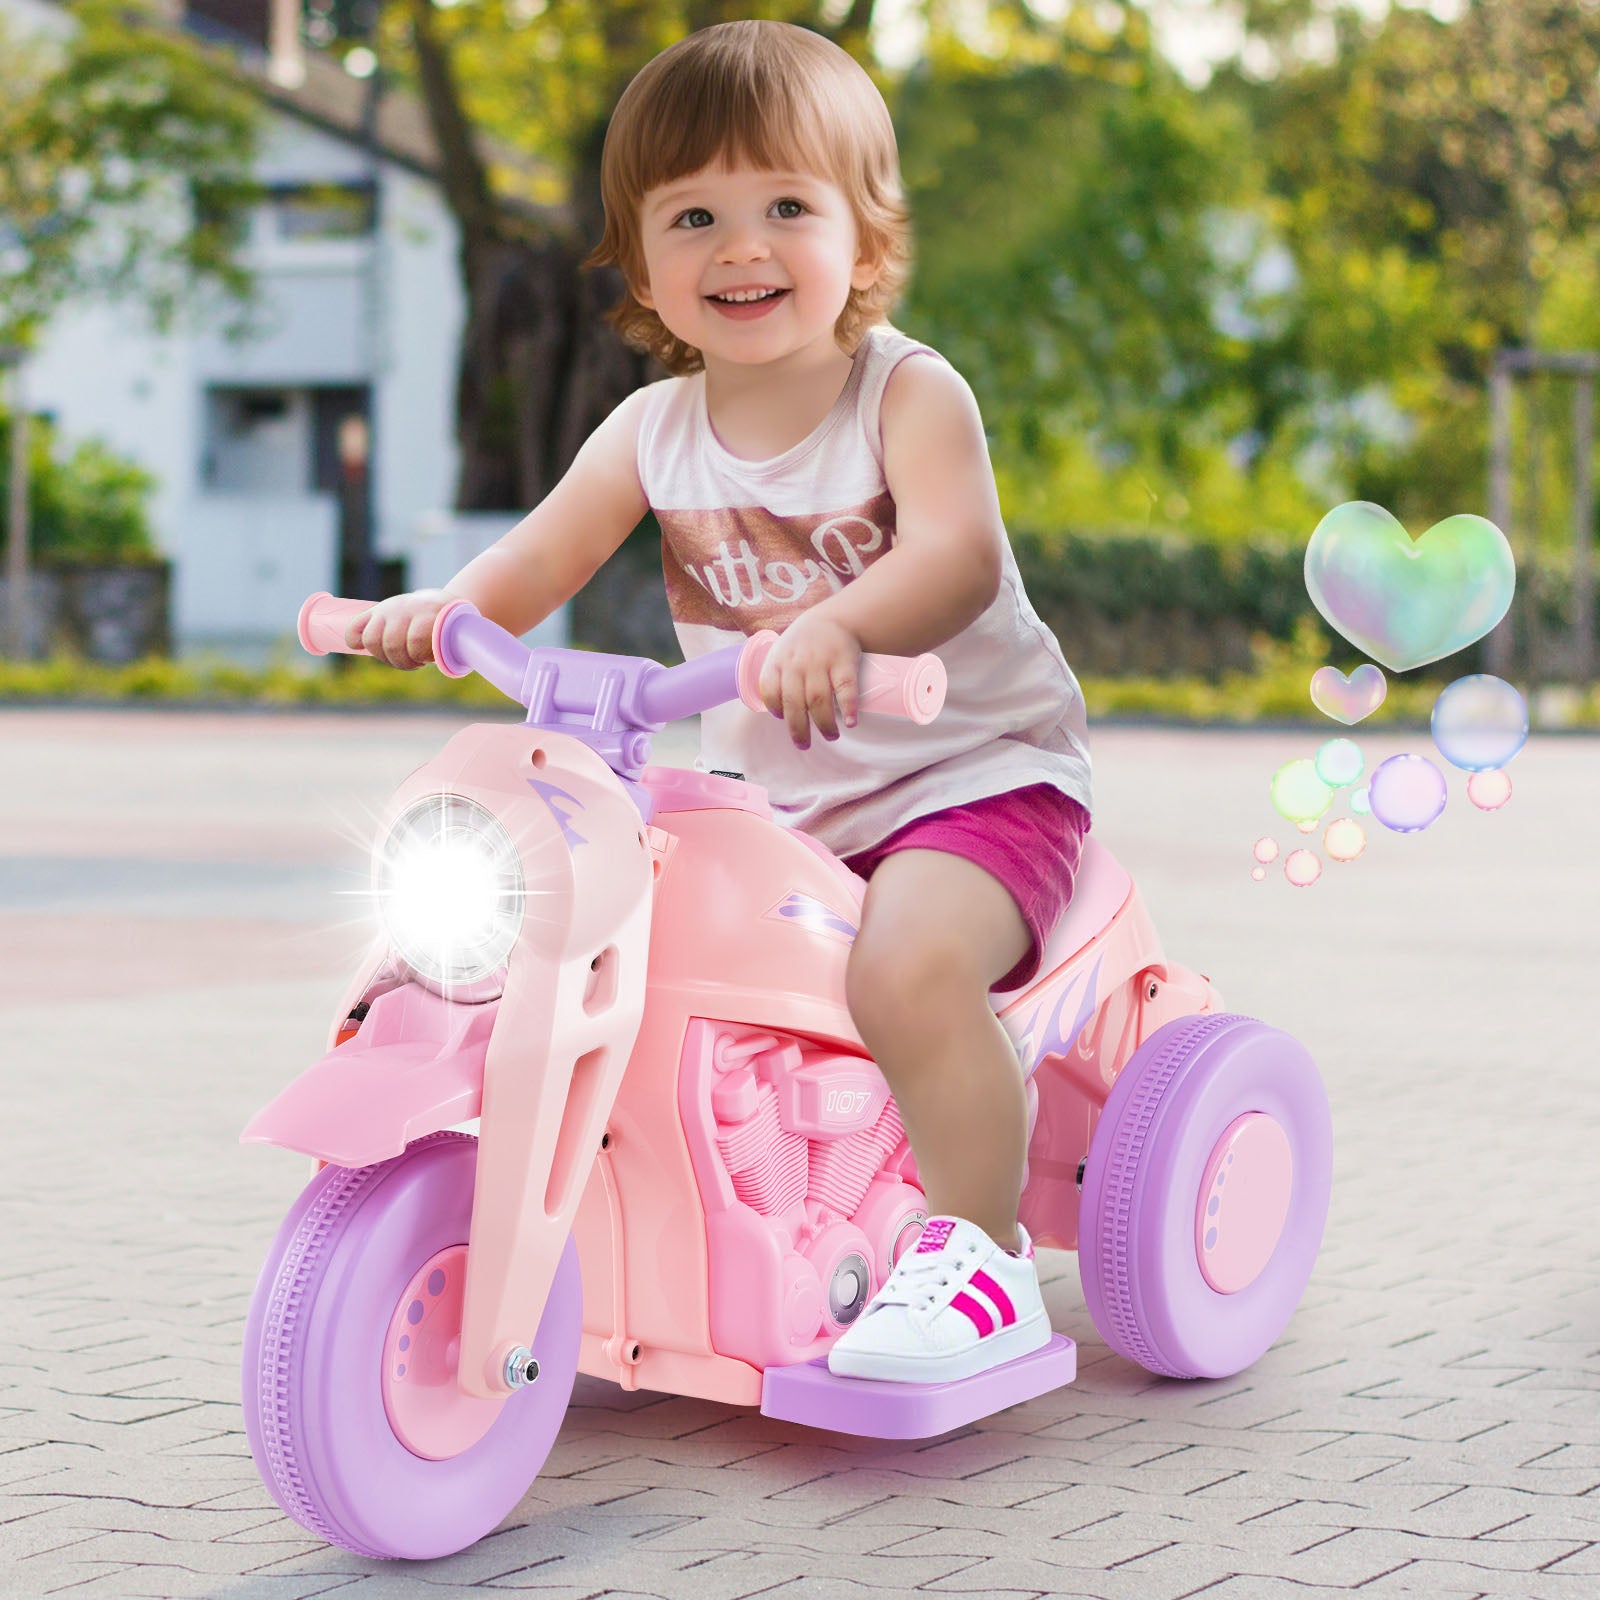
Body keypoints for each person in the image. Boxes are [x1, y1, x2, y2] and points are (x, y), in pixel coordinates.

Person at [346, 19, 1092, 1386]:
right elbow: (538, 558)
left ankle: (982, 1263)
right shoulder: (651, 431)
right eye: (695, 216)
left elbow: (954, 557)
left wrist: (842, 624)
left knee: (905, 970)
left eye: (787, 209)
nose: (741, 248)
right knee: (618, 947)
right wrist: (440, 612)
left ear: (866, 243)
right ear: (641, 262)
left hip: (975, 777)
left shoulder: (907, 395)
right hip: (793, 799)